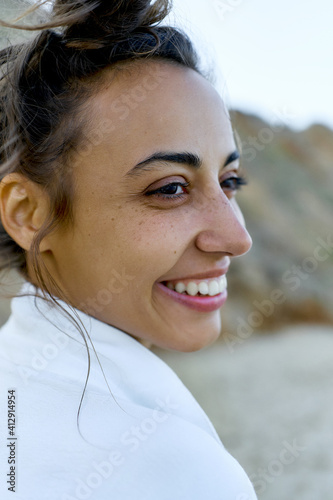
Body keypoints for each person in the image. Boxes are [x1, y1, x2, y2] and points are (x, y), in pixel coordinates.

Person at [0, 1, 257, 498]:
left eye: (230, 181)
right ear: (28, 214)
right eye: (169, 189)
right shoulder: (174, 471)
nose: (236, 238)